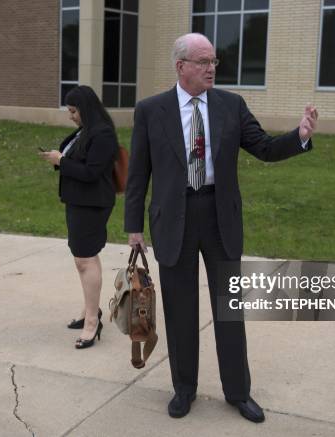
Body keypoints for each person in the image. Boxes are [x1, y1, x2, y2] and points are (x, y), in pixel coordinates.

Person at [124, 33, 318, 422]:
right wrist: (133, 228)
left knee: (229, 310)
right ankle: (184, 389)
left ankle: (238, 392)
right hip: (173, 219)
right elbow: (138, 174)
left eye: (214, 61)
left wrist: (299, 138)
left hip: (219, 216)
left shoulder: (231, 105)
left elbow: (262, 147)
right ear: (181, 67)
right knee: (180, 313)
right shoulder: (151, 110)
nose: (211, 68)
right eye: (202, 62)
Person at [40, 85, 119, 349]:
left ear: (85, 108)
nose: (70, 116)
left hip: (92, 204)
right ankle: (90, 311)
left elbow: (92, 173)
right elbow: (78, 162)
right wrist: (59, 160)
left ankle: (92, 324)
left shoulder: (103, 133)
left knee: (85, 259)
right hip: (79, 202)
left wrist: (61, 161)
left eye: (73, 111)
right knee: (84, 258)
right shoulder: (86, 131)